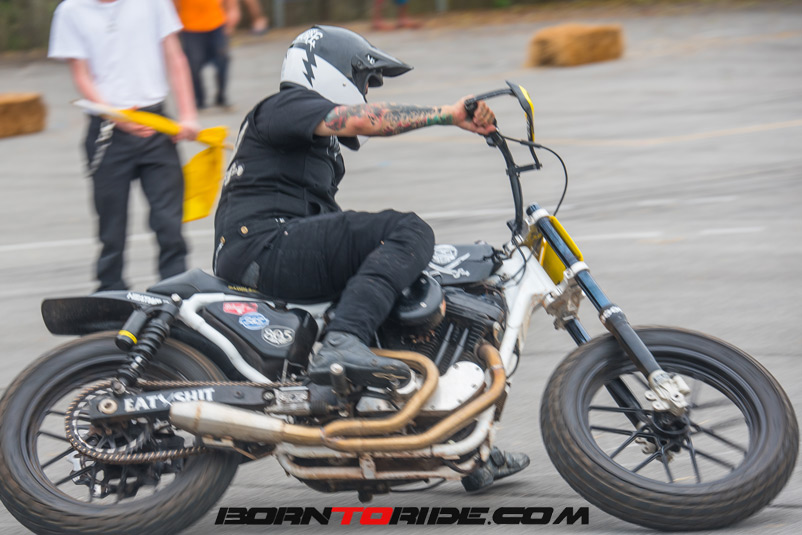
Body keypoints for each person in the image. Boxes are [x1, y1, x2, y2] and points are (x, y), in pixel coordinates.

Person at [213, 25, 528, 491]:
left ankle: (457, 440)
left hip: (277, 246)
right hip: (266, 245)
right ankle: (342, 343)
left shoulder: (312, 144)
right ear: (327, 69)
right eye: (363, 79)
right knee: (409, 230)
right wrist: (447, 114)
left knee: (399, 282)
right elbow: (361, 119)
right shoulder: (285, 106)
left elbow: (330, 227)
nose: (365, 91)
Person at [48, 0, 199, 292]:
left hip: (155, 124)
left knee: (168, 221)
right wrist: (117, 117)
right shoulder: (71, 11)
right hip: (107, 130)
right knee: (112, 226)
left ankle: (175, 289)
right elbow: (81, 75)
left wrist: (188, 114)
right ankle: (111, 290)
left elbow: (175, 57)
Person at [174, 0, 239, 110]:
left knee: (223, 58)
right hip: (190, 26)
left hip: (216, 22)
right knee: (193, 65)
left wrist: (233, 9)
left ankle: (221, 96)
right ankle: (199, 99)